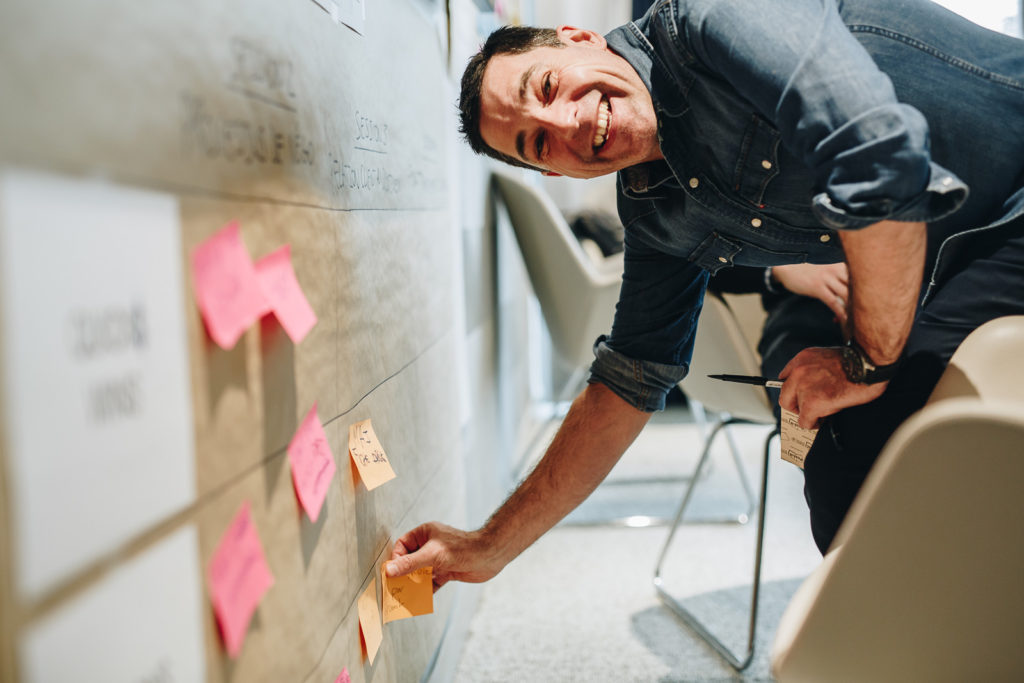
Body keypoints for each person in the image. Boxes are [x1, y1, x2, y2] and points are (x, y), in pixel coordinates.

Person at [387, 0, 1024, 589]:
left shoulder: (713, 16)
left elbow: (876, 154)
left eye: (547, 87)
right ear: (554, 172)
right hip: (955, 260)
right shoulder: (653, 208)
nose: (568, 122)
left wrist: (865, 360)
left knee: (918, 454)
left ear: (579, 38)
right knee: (842, 462)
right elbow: (634, 375)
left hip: (1011, 205)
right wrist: (487, 547)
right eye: (539, 143)